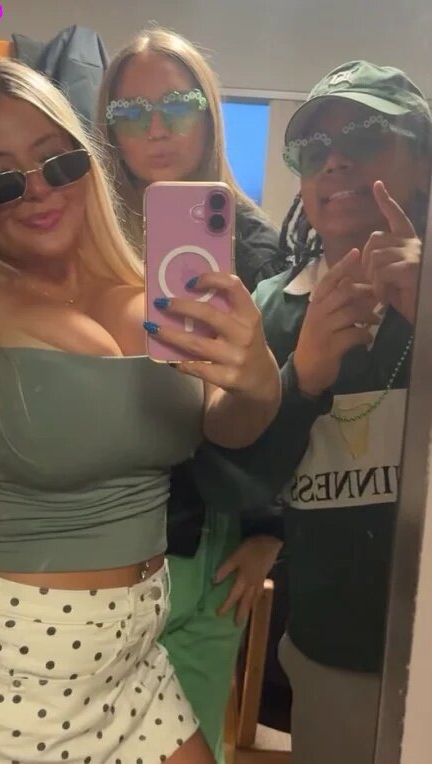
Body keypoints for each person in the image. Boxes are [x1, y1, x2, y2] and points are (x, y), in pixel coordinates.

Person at [0, 59, 281, 764]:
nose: (39, 191)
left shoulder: (151, 289)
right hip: (14, 671)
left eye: (57, 162)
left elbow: (224, 424)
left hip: (137, 662)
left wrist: (258, 381)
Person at [98, 27, 284, 761]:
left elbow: (287, 396)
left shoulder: (257, 246)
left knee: (191, 734)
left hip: (202, 529)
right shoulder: (87, 235)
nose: (155, 129)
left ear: (209, 114)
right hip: (100, 519)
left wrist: (272, 529)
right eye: (130, 111)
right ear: (108, 128)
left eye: (177, 105)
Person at [243, 60, 431, 763]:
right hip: (330, 654)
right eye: (314, 148)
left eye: (365, 135)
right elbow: (246, 481)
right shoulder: (270, 309)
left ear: (423, 160)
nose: (335, 160)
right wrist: (303, 379)